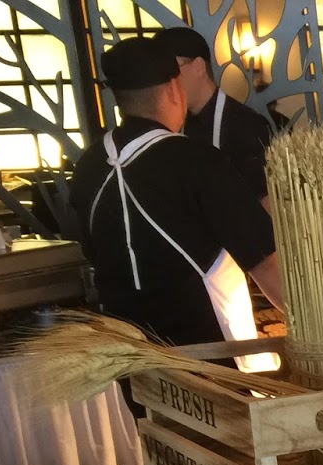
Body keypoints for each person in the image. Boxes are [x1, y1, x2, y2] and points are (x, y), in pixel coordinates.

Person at [69, 37, 284, 354]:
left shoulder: (88, 166)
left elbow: (92, 254)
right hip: (207, 355)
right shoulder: (196, 161)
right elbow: (265, 264)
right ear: (173, 89)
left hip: (129, 353)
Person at [153, 25, 275, 204]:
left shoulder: (245, 124)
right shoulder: (173, 125)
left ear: (199, 67)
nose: (166, 82)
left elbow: (265, 201)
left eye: (170, 72)